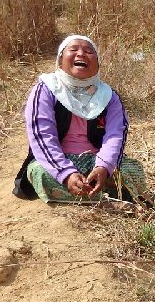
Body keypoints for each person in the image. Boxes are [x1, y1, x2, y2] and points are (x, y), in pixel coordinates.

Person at [13, 34, 147, 204]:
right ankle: (110, 200)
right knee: (40, 172)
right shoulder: (45, 90)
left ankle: (93, 195)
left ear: (98, 65)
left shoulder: (109, 96)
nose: (81, 54)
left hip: (95, 162)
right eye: (73, 49)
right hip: (58, 163)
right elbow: (42, 136)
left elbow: (116, 136)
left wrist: (103, 167)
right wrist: (66, 173)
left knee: (134, 171)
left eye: (89, 51)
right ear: (60, 61)